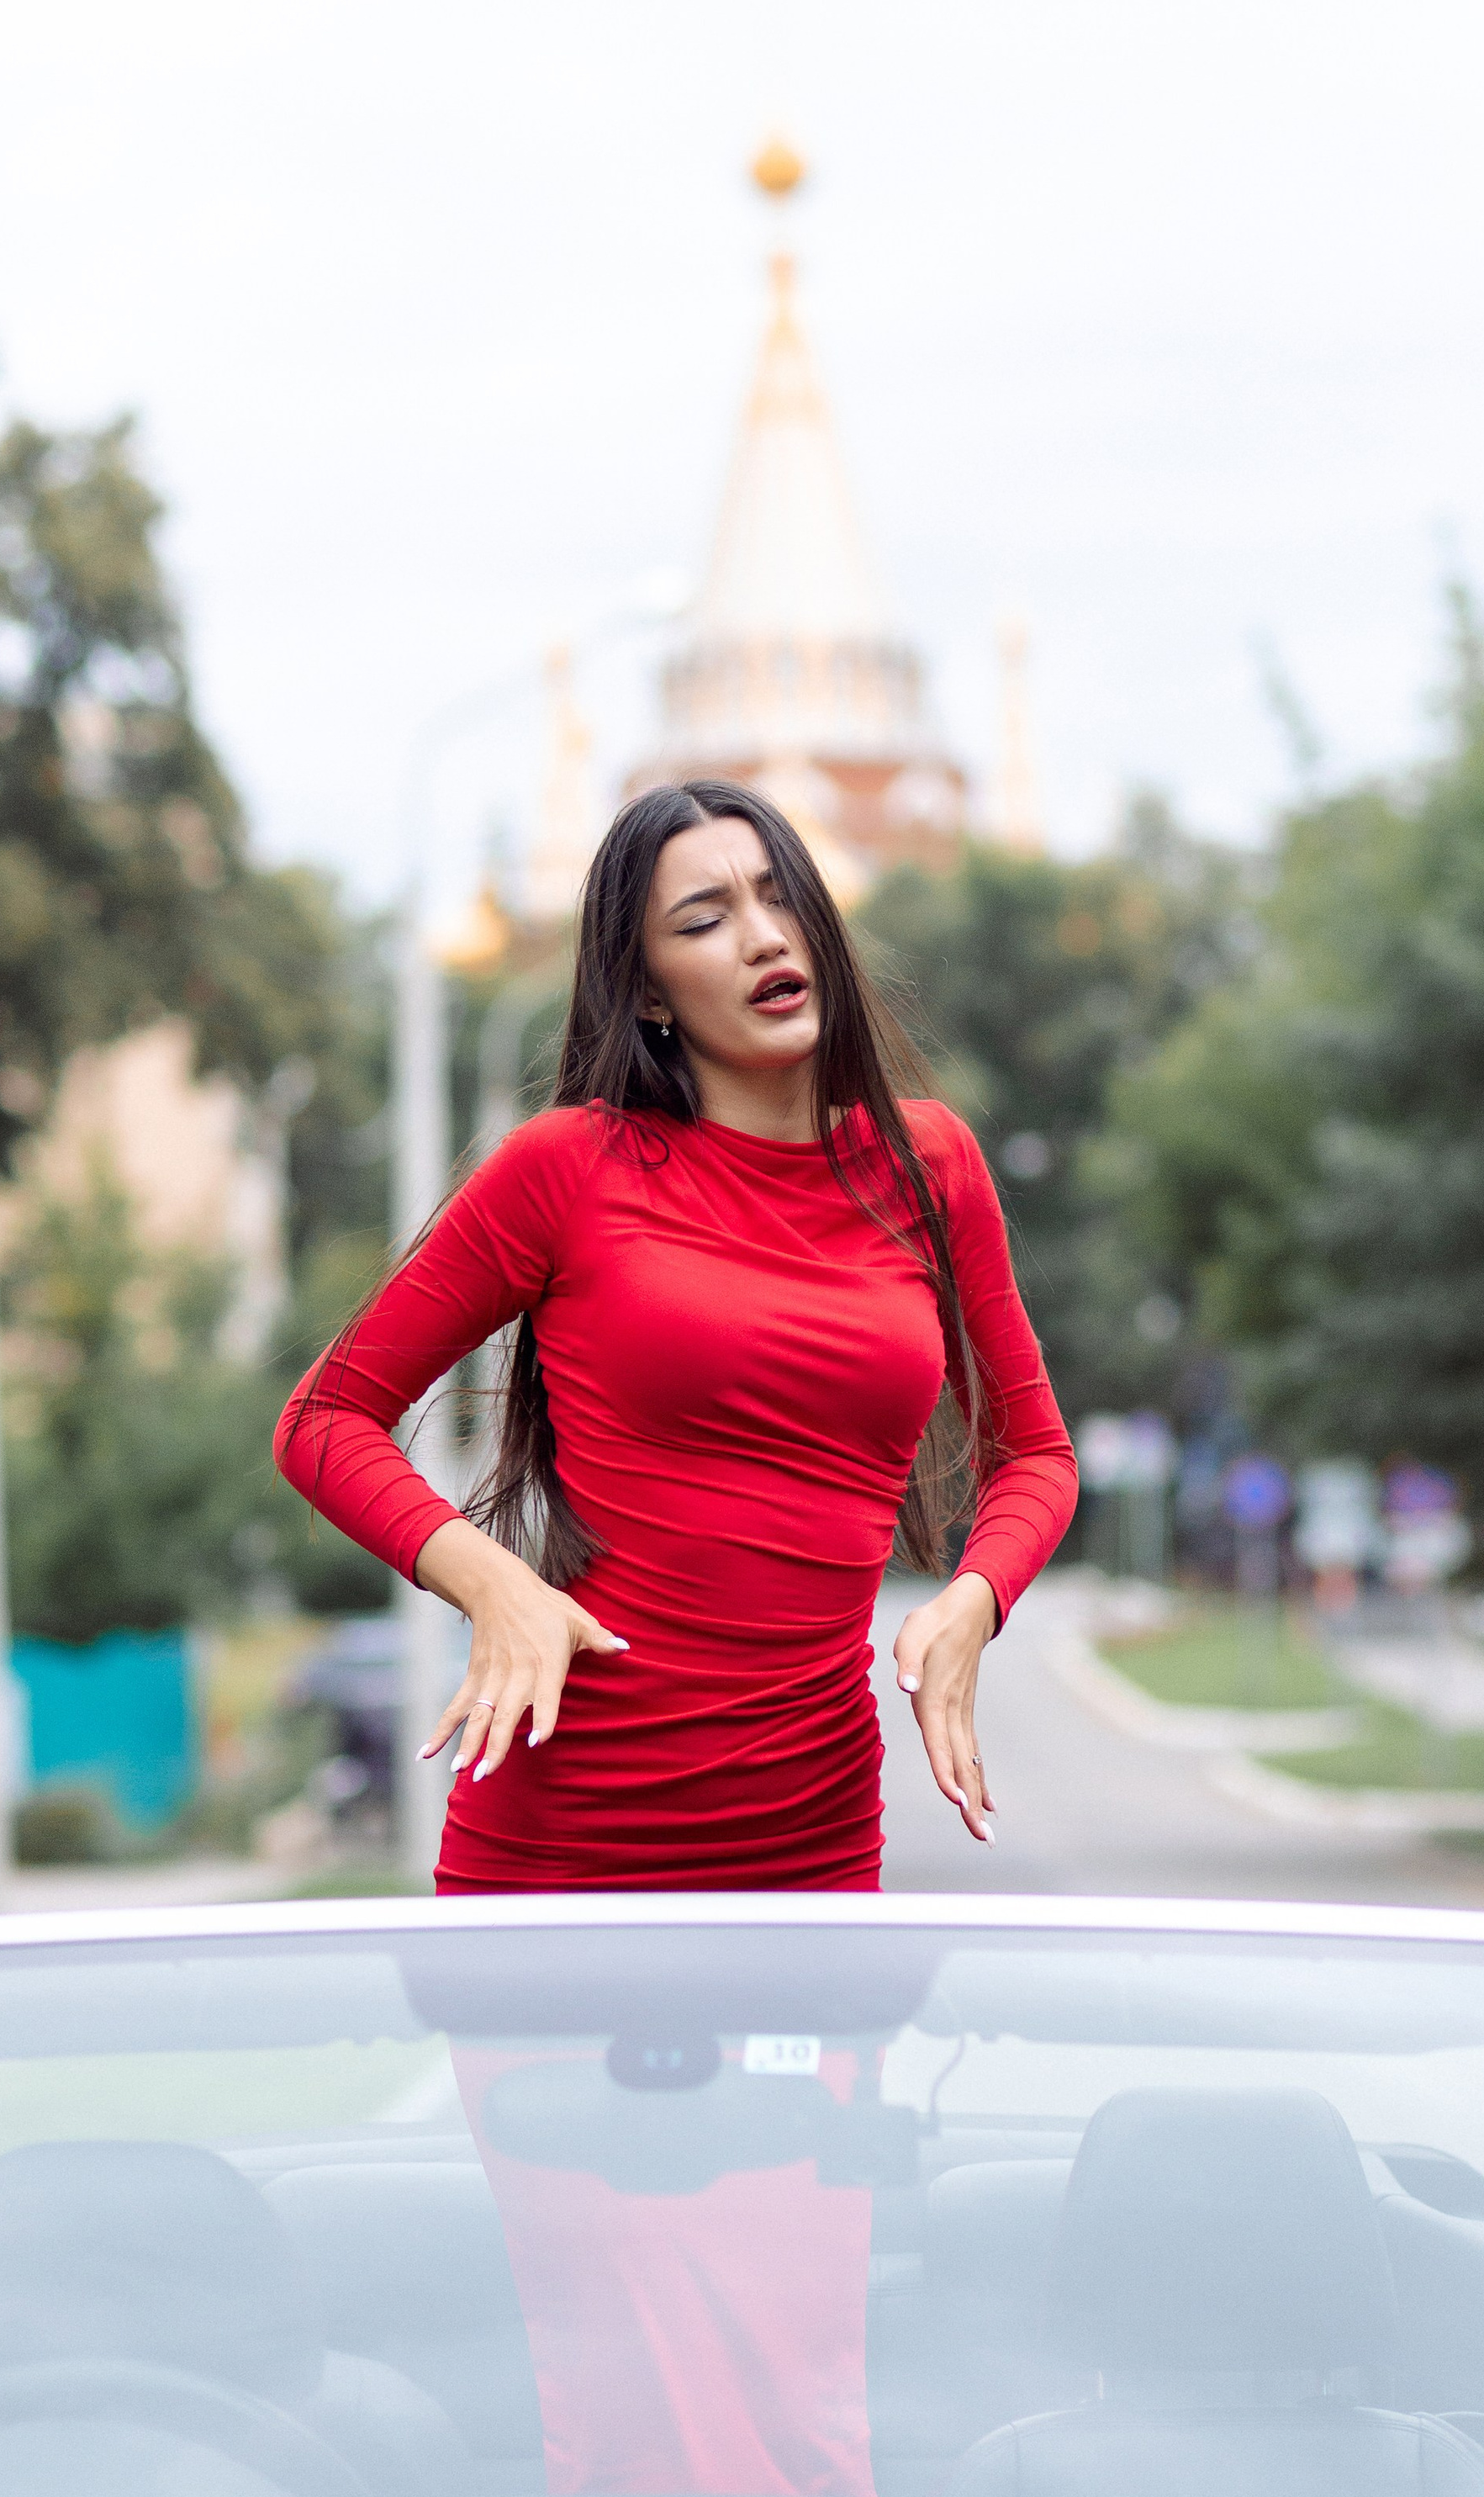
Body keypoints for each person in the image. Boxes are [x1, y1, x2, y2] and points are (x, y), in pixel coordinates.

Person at [273, 775, 1077, 1894]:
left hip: (815, 1838)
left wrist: (975, 1598)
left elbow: (1035, 1454)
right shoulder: (563, 1169)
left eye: (778, 896)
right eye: (704, 920)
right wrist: (491, 1584)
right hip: (561, 1843)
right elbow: (323, 1420)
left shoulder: (930, 1165)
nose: (760, 937)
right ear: (651, 995)